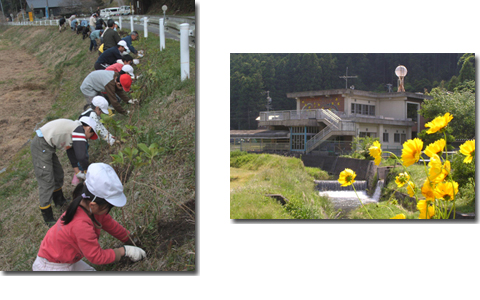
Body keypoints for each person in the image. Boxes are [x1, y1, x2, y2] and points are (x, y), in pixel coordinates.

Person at [32, 163, 147, 271]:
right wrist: (124, 251)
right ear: (94, 205)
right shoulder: (81, 225)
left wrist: (130, 238)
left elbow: (110, 225)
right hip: (51, 265)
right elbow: (96, 256)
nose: (109, 211)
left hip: (66, 258)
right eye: (109, 207)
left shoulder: (91, 208)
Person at [31, 117, 99, 226]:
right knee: (46, 180)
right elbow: (82, 156)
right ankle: (47, 217)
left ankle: (59, 201)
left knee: (58, 174)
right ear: (88, 129)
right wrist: (87, 172)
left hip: (47, 146)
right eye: (91, 135)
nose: (89, 138)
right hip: (41, 144)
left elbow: (71, 152)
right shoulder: (79, 131)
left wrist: (77, 172)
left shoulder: (75, 130)